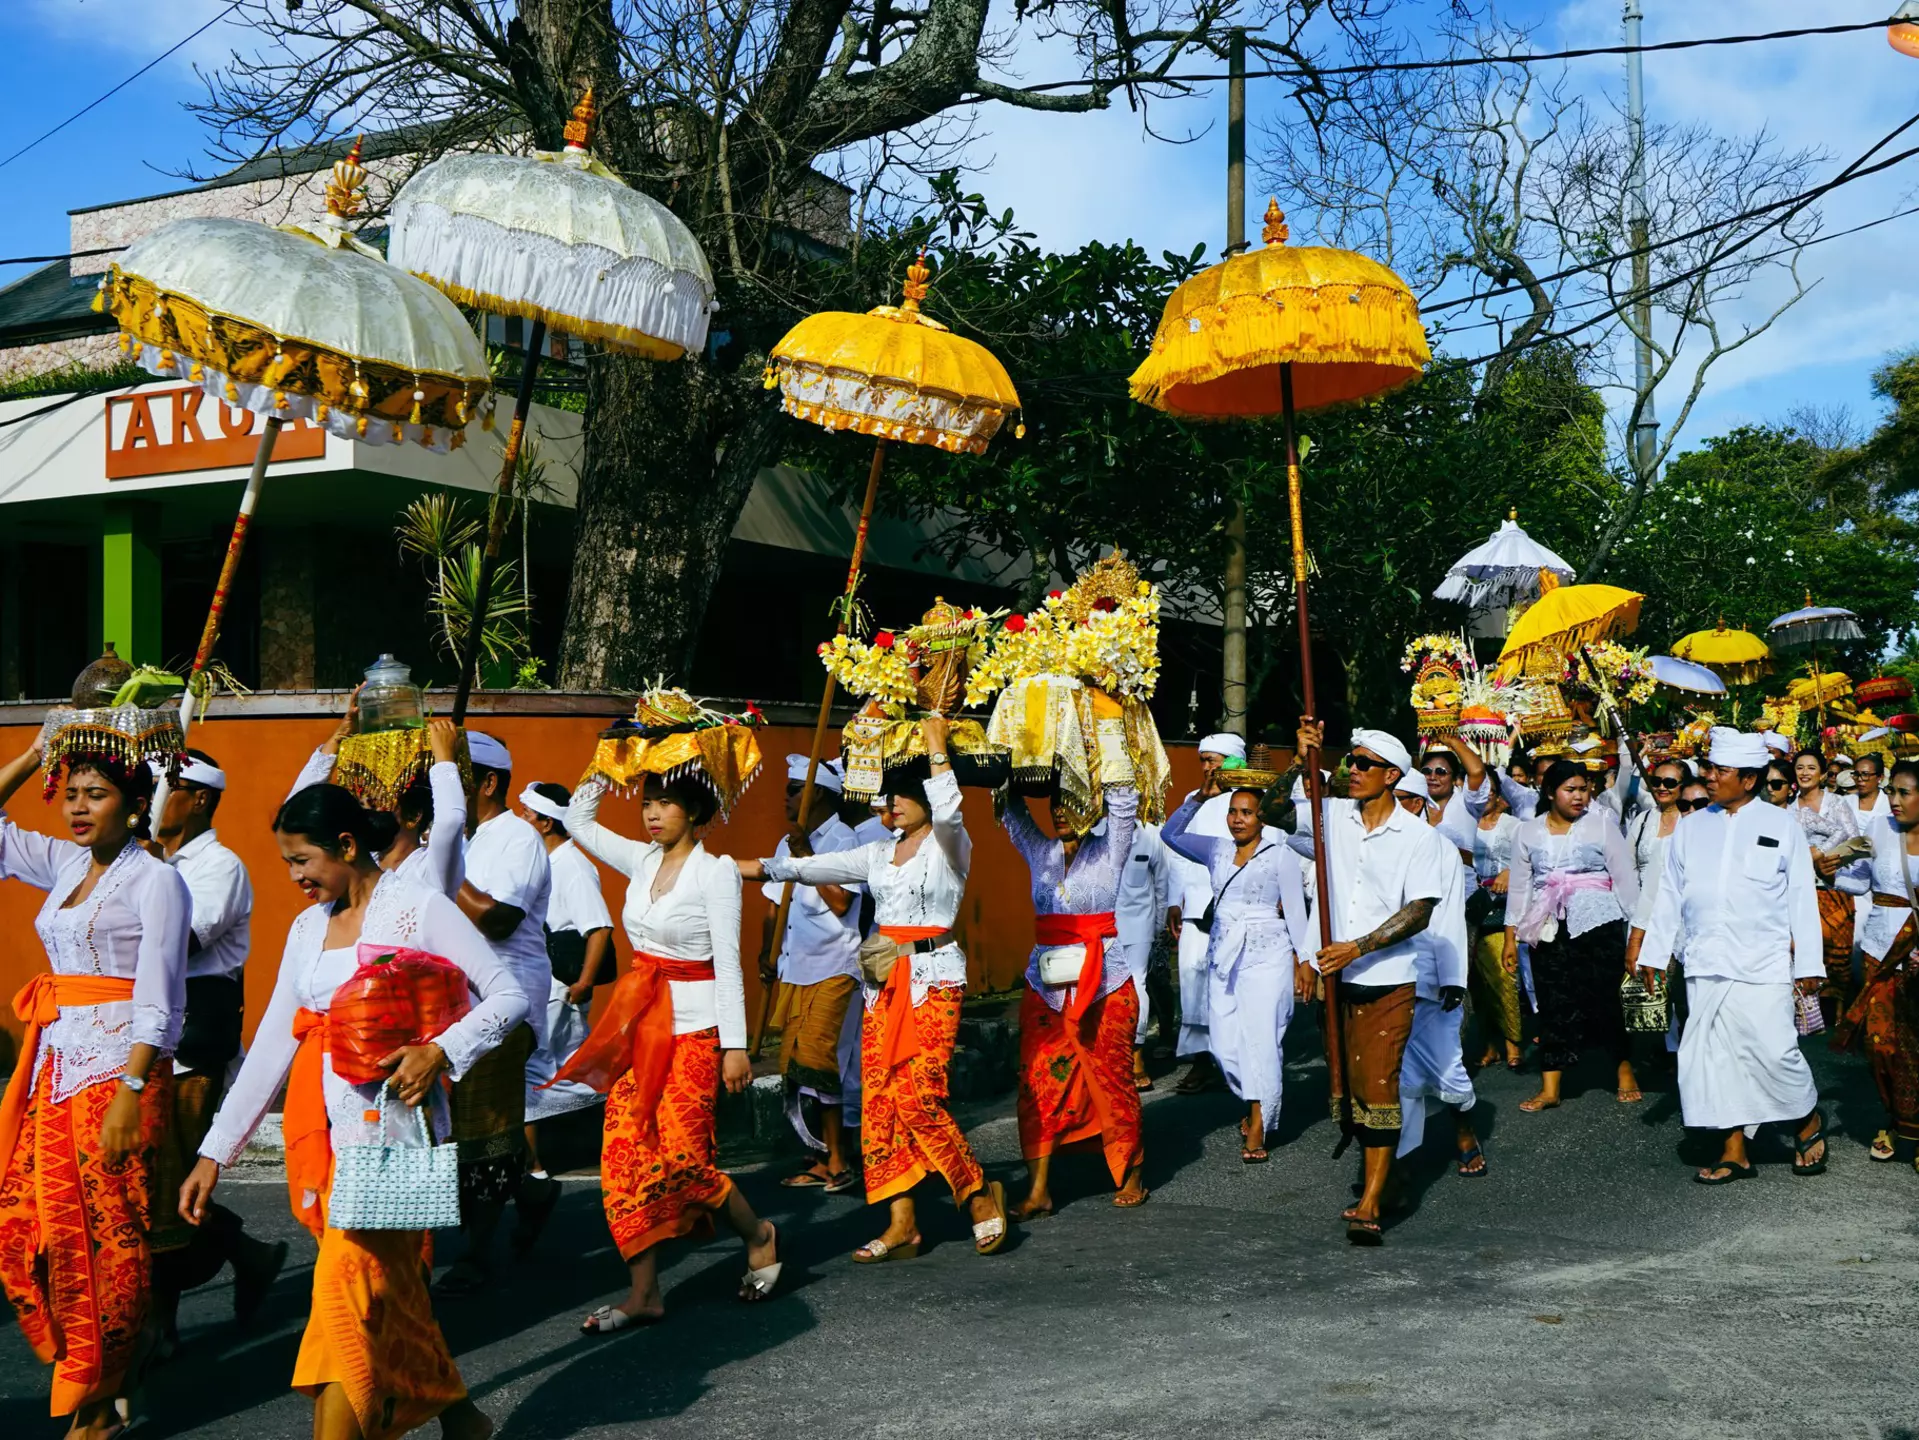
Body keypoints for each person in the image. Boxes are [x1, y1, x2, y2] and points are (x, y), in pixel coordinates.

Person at [183, 783, 521, 1440]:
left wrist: (440, 1052)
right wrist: (214, 1153)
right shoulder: (307, 929)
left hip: (398, 1141)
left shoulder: (420, 908)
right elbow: (276, 1042)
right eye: (287, 863)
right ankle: (462, 1419)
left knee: (343, 1292)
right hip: (327, 1139)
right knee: (387, 1292)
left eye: (302, 860)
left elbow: (506, 998)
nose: (295, 877)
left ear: (345, 845)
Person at [747, 716, 1008, 1264]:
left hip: (932, 980)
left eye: (899, 799)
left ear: (924, 801)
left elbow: (953, 807)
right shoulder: (877, 855)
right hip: (881, 986)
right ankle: (902, 1224)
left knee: (920, 1096)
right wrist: (736, 868)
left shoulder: (948, 846)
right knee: (882, 1104)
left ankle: (978, 1192)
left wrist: (937, 745)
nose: (888, 808)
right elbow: (809, 867)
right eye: (888, 799)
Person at [0, 738, 188, 1438]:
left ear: (137, 806)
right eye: (71, 792)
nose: (79, 807)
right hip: (55, 1066)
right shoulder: (64, 863)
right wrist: (34, 754)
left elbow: (161, 996)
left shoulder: (156, 881)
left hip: (119, 1071)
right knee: (24, 1228)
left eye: (96, 794)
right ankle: (106, 1365)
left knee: (108, 1237)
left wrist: (132, 1089)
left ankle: (98, 1402)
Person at [558, 763, 781, 1327]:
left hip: (695, 1030)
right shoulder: (642, 859)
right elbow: (577, 818)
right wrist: (611, 761)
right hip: (640, 1026)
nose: (653, 813)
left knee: (682, 1159)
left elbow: (727, 962)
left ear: (698, 814)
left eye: (667, 803)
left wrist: (735, 1046)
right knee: (624, 1155)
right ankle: (645, 1293)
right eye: (647, 802)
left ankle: (758, 1234)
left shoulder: (717, 873)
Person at [1634, 729, 1829, 1184]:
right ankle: (1734, 1149)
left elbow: (1803, 897)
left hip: (1763, 962)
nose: (1709, 776)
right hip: (1705, 961)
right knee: (1713, 1057)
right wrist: (1655, 954)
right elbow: (1670, 895)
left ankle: (1805, 1120)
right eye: (1710, 768)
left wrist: (1810, 967)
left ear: (1749, 779)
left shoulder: (1782, 826)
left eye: (1720, 771)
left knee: (1776, 1051)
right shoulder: (1693, 826)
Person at [146, 750, 287, 1359]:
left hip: (191, 1047)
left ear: (199, 798)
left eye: (167, 788)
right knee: (151, 1181)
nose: (155, 799)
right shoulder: (159, 863)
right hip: (142, 1042)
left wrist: (145, 879)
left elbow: (176, 941)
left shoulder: (219, 866)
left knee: (166, 1184)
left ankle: (162, 1321)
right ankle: (247, 1254)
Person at [1292, 722, 1450, 1245]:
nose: (1351, 770)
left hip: (1387, 978)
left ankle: (1370, 1201)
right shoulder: (1332, 815)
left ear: (1390, 775)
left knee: (1380, 1087)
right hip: (1335, 981)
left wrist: (1357, 947)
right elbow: (1272, 815)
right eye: (1348, 762)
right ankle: (1389, 1174)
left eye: (1363, 764)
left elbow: (1421, 910)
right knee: (1352, 1091)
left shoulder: (1419, 837)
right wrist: (1301, 760)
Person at [435, 731, 551, 1294]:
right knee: (455, 1127)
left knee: (485, 1128)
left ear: (486, 782)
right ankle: (532, 1192)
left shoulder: (518, 838)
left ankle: (477, 1252)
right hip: (450, 1003)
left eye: (456, 775)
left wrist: (443, 868)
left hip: (504, 1001)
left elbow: (499, 919)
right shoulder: (455, 837)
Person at [1003, 782, 1151, 1212]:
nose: (1061, 813)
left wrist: (1104, 730)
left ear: (1092, 806)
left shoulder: (1111, 848)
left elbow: (1125, 802)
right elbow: (1012, 813)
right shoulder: (1041, 851)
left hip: (1105, 982)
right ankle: (1038, 1190)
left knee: (1112, 1079)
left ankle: (1132, 1171)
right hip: (1046, 986)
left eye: (1072, 804)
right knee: (1037, 1083)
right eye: (1055, 805)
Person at [1505, 759, 1641, 1113]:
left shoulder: (1602, 826)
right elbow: (1519, 888)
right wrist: (1510, 936)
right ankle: (1551, 1086)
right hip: (1547, 922)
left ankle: (1623, 1068)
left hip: (1598, 921)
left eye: (1583, 789)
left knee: (1604, 998)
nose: (1579, 796)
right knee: (1552, 1001)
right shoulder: (1527, 831)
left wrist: (1638, 935)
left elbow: (1625, 879)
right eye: (1570, 790)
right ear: (1550, 792)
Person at [758, 756, 863, 1192]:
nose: (786, 797)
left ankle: (841, 1159)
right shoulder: (788, 841)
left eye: (794, 789)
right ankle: (816, 1156)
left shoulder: (845, 839)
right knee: (798, 1066)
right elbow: (774, 900)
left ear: (817, 792)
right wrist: (767, 950)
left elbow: (841, 904)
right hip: (795, 964)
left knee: (823, 1064)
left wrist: (807, 855)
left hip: (836, 965)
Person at [515, 781, 615, 1191]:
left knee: (544, 1068)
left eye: (528, 814)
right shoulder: (545, 860)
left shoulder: (573, 866)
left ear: (545, 822)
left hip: (561, 983)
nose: (522, 819)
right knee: (554, 1067)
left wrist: (585, 981)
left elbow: (599, 927)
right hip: (544, 979)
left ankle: (533, 1165)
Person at [1389, 774, 1484, 1177]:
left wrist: (1452, 978)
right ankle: (1399, 1159)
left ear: (1417, 804)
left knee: (1447, 1062)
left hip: (1431, 971)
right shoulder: (1369, 844)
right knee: (1396, 1068)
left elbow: (1448, 920)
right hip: (1383, 972)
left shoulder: (1441, 849)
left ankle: (1464, 1128)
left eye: (1402, 799)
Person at [291, 701, 468, 899]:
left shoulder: (431, 869)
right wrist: (336, 739)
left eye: (378, 801)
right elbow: (297, 817)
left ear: (414, 815)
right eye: (362, 803)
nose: (367, 811)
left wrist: (444, 759)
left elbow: (450, 822)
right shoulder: (356, 864)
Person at [1839, 757, 1919, 1170]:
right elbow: (1858, 878)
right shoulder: (1879, 830)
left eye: (1904, 792)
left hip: (1917, 953)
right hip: (1878, 950)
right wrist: (1833, 867)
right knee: (1880, 1043)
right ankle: (1897, 1118)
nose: (1894, 801)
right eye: (1891, 792)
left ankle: (1912, 1128)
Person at [1169, 733, 1247, 1094]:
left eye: (1214, 760)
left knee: (1232, 980)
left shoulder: (1245, 801)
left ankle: (1235, 1058)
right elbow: (1175, 851)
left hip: (1234, 905)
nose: (1207, 768)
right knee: (1192, 977)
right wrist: (1174, 899)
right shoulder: (1192, 801)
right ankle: (1201, 1060)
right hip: (1195, 905)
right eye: (1203, 761)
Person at [1788, 746, 1866, 1028]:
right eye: (1800, 767)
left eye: (1811, 767)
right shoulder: (1789, 809)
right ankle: (1805, 1012)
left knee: (1838, 953)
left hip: (1834, 886)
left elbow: (1855, 841)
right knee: (1804, 950)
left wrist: (1821, 854)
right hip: (1800, 890)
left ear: (1822, 774)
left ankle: (1839, 1013)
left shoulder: (1837, 804)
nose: (1805, 772)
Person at [1622, 758, 1691, 1056]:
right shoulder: (1642, 821)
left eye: (1670, 783)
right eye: (1657, 781)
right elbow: (1627, 867)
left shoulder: (1693, 820)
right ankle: (1662, 1049)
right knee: (1651, 982)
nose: (1662, 788)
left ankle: (1691, 1048)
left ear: (1683, 787)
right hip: (1645, 908)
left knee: (1684, 987)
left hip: (1683, 912)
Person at [1113, 802, 1175, 1089]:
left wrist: (1160, 923)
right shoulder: (1095, 832)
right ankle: (1112, 1054)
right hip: (1102, 926)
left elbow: (1162, 883)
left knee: (1137, 985)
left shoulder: (1151, 835)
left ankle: (1137, 1054)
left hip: (1139, 926)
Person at [1469, 784, 1524, 1070]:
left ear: (1498, 796)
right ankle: (1491, 1045)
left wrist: (1509, 871)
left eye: (1488, 791)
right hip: (1470, 906)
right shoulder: (1463, 823)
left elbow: (1529, 859)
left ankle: (1514, 1042)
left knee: (1504, 974)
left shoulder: (1513, 825)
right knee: (1476, 981)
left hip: (1502, 909)